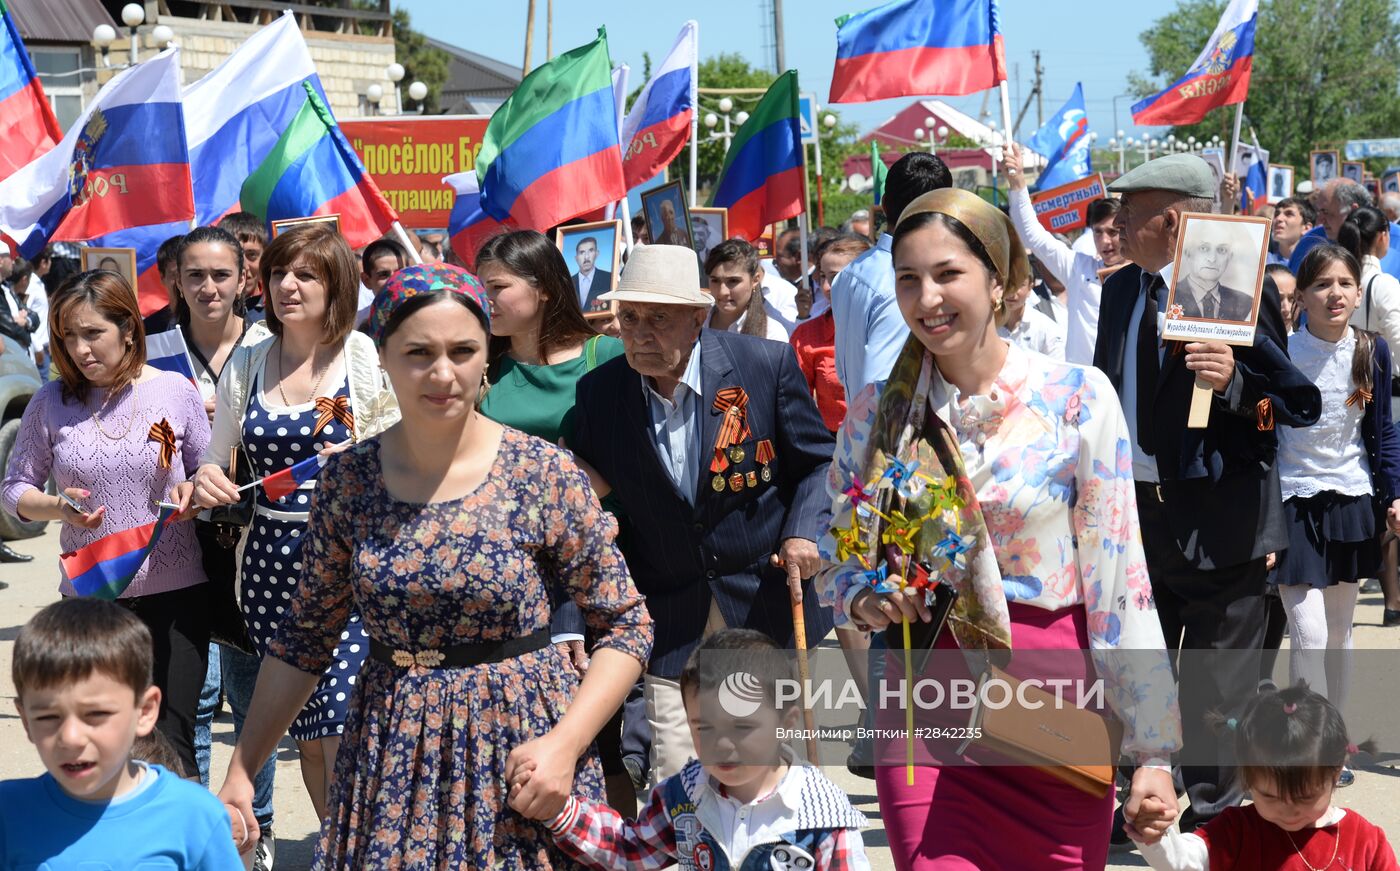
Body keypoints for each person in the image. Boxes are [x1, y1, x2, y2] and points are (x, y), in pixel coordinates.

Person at [216, 263, 653, 867]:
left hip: (523, 753)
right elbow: (305, 637)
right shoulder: (348, 481)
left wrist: (565, 744)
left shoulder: (542, 473)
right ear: (384, 358)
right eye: (418, 352)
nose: (443, 373)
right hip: (388, 754)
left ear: (485, 356)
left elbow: (626, 624)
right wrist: (243, 767)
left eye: (463, 350)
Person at [818, 186, 1180, 869]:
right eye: (908, 279)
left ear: (1000, 277)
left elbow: (1120, 581)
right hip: (922, 695)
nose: (927, 298)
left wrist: (1153, 750)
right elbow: (843, 560)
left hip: (1054, 699)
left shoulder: (1076, 398)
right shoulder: (872, 417)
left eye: (948, 273)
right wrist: (866, 597)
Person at [1094, 153, 1321, 838]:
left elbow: (1296, 402)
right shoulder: (1121, 291)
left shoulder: (1227, 285)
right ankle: (1142, 800)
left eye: (1131, 212)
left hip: (1225, 528)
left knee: (1217, 689)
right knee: (1139, 675)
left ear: (1173, 217)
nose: (1117, 223)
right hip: (1136, 520)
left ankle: (1215, 820)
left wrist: (1234, 386)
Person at [571, 244, 836, 781]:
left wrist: (802, 533)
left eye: (658, 318)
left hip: (761, 601)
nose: (640, 333)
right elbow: (582, 497)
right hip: (669, 613)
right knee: (679, 775)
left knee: (771, 773)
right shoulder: (600, 393)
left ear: (697, 318)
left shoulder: (763, 365)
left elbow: (818, 463)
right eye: (629, 318)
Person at [190, 223, 399, 821]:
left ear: (336, 286)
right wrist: (207, 480)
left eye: (305, 274)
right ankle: (340, 847)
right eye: (279, 272)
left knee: (338, 719)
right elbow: (214, 456)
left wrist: (365, 460)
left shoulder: (361, 357)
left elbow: (404, 452)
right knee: (308, 730)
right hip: (267, 571)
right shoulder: (250, 361)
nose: (287, 284)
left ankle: (354, 849)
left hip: (351, 567)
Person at [1, 270, 214, 777]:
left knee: (174, 740)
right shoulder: (49, 402)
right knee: (104, 740)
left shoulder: (174, 391)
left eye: (92, 333)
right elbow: (13, 491)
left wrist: (195, 490)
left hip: (176, 596)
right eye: (67, 336)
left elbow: (210, 471)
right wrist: (56, 507)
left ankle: (179, 850)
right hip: (92, 600)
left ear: (128, 330)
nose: (79, 349)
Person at [537, 629, 870, 870]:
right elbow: (630, 850)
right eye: (704, 728)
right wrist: (560, 810)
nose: (721, 745)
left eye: (742, 728)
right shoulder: (684, 794)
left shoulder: (823, 815)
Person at [1269, 244, 1400, 790]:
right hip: (1291, 502)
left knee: (1341, 634)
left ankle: (1334, 742)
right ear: (1301, 296)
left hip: (1350, 499)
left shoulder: (1372, 352)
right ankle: (1312, 748)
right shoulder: (1277, 353)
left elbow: (1385, 429)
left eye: (1345, 283)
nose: (1336, 294)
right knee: (1310, 630)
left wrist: (1394, 493)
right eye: (1323, 284)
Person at [174, 226, 279, 870]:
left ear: (246, 280)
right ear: (177, 283)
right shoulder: (156, 349)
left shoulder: (275, 344)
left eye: (222, 275)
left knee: (253, 697)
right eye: (195, 276)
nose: (209, 288)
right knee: (197, 696)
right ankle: (199, 828)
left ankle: (254, 830)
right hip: (181, 547)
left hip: (257, 549)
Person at [2, 599, 244, 870]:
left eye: (96, 714)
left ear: (144, 711)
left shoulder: (195, 817)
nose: (70, 737)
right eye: (47, 717)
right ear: (25, 720)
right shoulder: (10, 815)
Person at [1131, 684, 1398, 870]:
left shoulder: (1363, 841)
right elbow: (1185, 860)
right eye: (1269, 795)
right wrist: (1153, 835)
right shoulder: (1238, 832)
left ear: (1337, 771)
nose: (1288, 809)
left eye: (1305, 796)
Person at [831, 152, 952, 403]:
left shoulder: (849, 273)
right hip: (892, 434)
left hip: (863, 428)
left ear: (884, 206)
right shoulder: (902, 286)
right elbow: (881, 389)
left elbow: (844, 373)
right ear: (946, 209)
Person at [1006, 142, 1125, 365]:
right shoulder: (1078, 268)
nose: (1105, 241)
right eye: (1098, 232)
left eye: (1113, 232)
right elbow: (1032, 235)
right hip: (1083, 389)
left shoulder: (1144, 277)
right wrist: (1018, 182)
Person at [791, 235, 872, 432]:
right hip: (832, 445)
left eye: (836, 277)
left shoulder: (893, 325)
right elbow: (795, 404)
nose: (826, 287)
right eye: (823, 277)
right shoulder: (807, 335)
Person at [1340, 205, 1400, 353]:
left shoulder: (1331, 279)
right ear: (1382, 236)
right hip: (1377, 373)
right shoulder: (1384, 283)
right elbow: (1397, 338)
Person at [704, 240, 790, 342]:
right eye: (715, 280)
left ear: (755, 280)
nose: (722, 292)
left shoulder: (772, 334)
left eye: (733, 281)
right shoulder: (695, 323)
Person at [1290, 179, 1372, 272]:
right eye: (1319, 211)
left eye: (1326, 212)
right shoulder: (1310, 241)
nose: (1320, 220)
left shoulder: (1387, 240)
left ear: (1353, 211)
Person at [1173, 231, 1255, 321]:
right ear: (1188, 253)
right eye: (1203, 248)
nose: (1212, 259)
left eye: (1222, 250)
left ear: (1230, 257)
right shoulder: (1169, 294)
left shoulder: (1247, 304)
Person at [997, 271, 1066, 358]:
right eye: (1007, 284)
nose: (1012, 292)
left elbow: (1058, 368)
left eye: (1019, 285)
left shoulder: (1048, 329)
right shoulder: (987, 325)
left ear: (1030, 288)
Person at [218, 212, 268, 321]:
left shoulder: (278, 310)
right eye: (236, 255)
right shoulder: (205, 312)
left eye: (252, 255)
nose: (244, 266)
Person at [356, 237, 409, 326]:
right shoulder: (357, 323)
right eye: (383, 274)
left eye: (400, 272)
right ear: (367, 281)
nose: (393, 280)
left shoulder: (426, 312)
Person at [571, 235, 612, 313]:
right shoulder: (567, 282)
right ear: (576, 258)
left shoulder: (609, 278)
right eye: (582, 252)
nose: (586, 257)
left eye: (590, 250)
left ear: (597, 254)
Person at [1272, 197, 1316, 267]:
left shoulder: (1314, 266)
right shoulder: (1260, 260)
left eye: (1289, 214)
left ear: (1306, 228)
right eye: (1276, 214)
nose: (1278, 218)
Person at [1265, 263, 1298, 331]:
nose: (1287, 309)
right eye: (1277, 299)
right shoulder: (1241, 340)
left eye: (1292, 299)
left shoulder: (1304, 341)